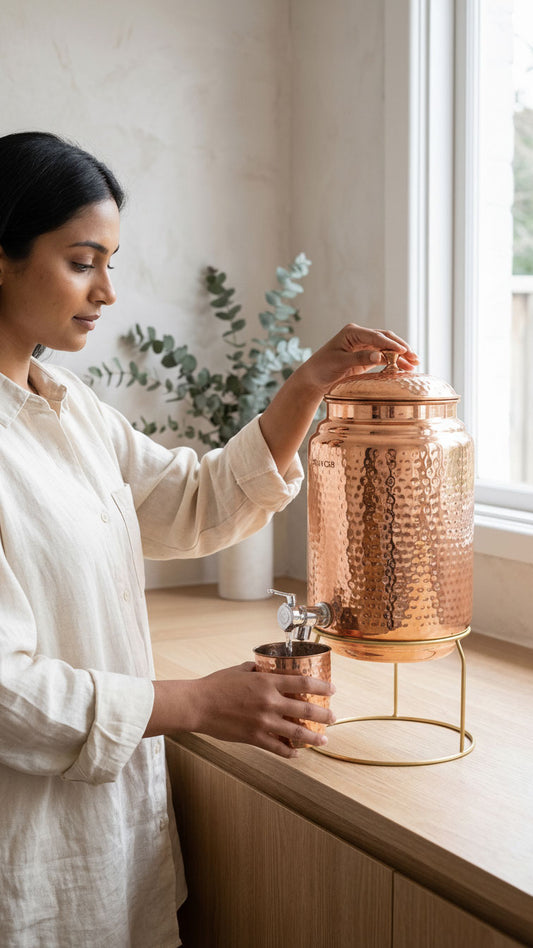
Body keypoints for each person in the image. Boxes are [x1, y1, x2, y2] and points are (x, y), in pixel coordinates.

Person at [0, 130, 419, 947]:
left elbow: (188, 503)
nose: (107, 293)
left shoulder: (67, 406)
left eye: (111, 262)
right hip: (24, 852)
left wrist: (306, 387)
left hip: (110, 836)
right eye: (83, 261)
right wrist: (194, 701)